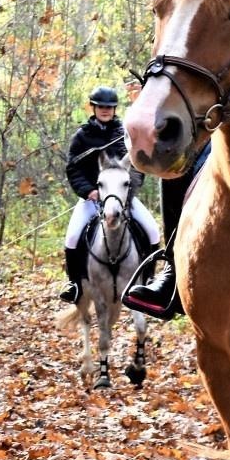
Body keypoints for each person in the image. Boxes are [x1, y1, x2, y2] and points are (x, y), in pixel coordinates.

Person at [59, 85, 162, 303]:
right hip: (92, 197)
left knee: (153, 231)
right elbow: (73, 169)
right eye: (101, 107)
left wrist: (127, 193)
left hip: (122, 198)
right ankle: (74, 284)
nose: (105, 110)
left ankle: (150, 279)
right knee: (72, 237)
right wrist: (88, 190)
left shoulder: (124, 134)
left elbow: (137, 166)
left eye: (110, 107)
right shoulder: (82, 136)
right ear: (94, 108)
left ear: (114, 109)